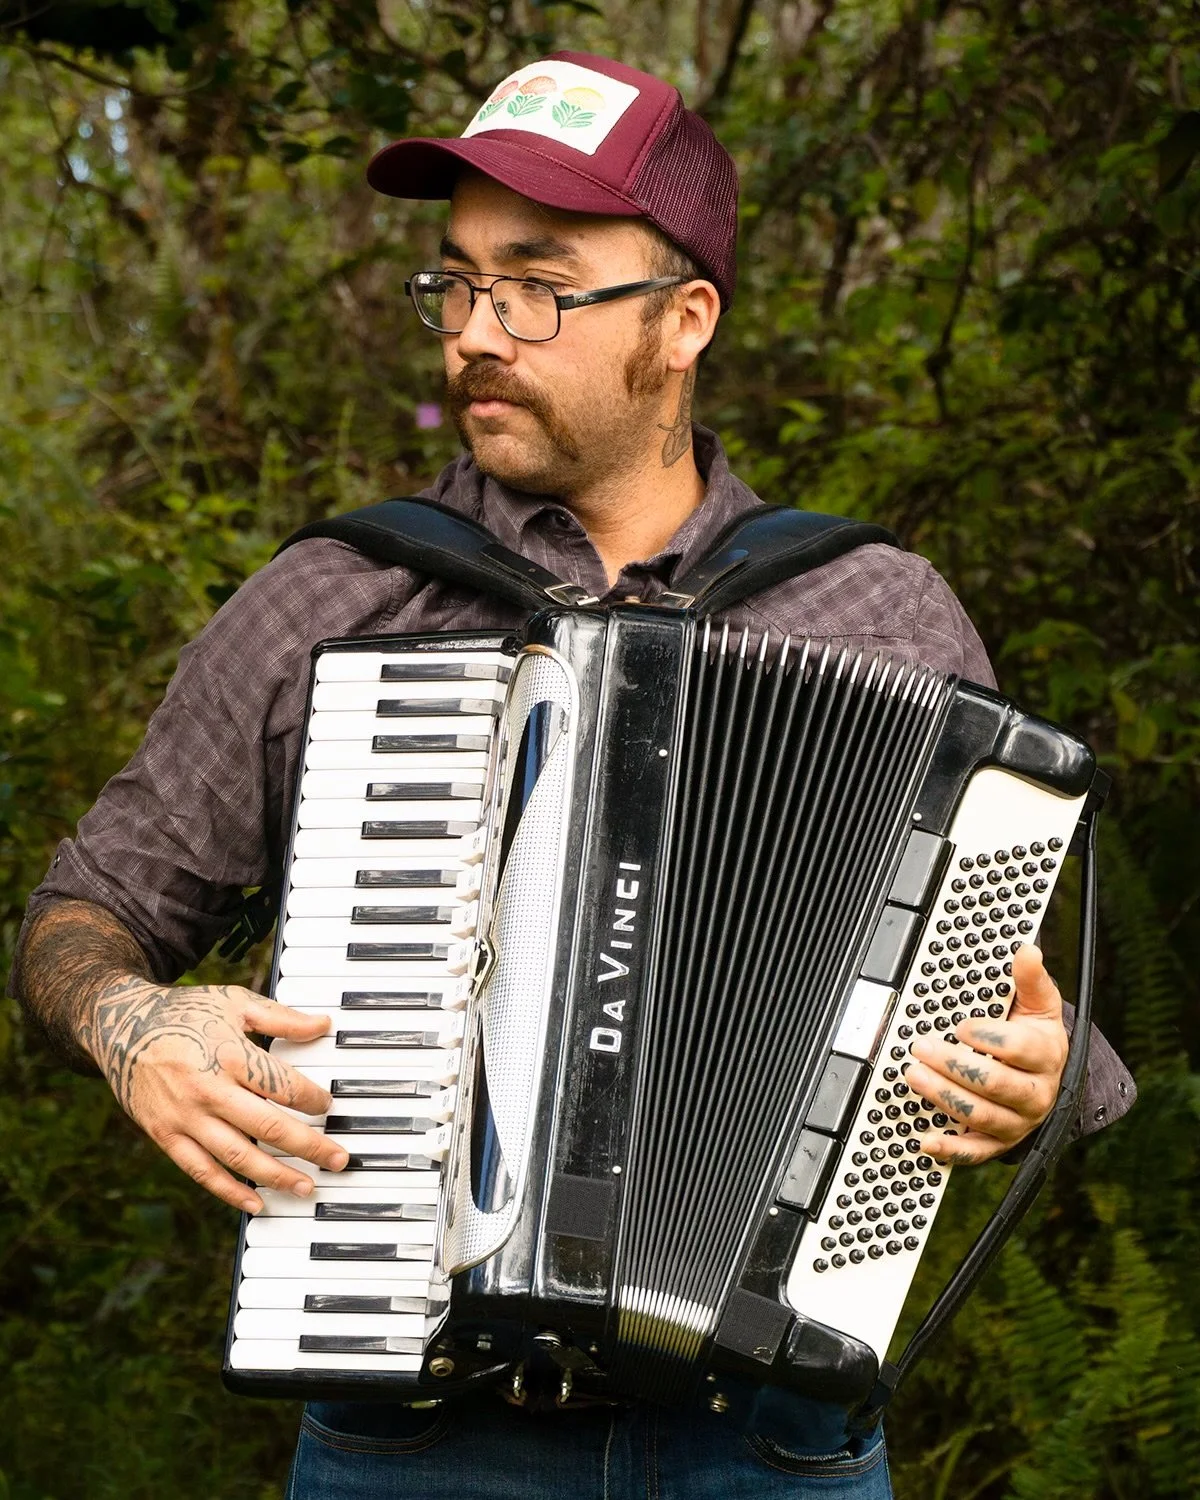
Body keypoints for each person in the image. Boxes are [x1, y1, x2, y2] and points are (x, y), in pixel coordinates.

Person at [12, 50, 1135, 1500]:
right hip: (414, 1443)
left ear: (683, 323)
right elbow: (77, 916)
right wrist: (132, 1022)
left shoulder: (877, 614)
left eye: (538, 286)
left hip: (768, 1444)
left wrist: (1025, 1083)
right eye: (457, 283)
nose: (477, 333)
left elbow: (1048, 1030)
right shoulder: (335, 599)